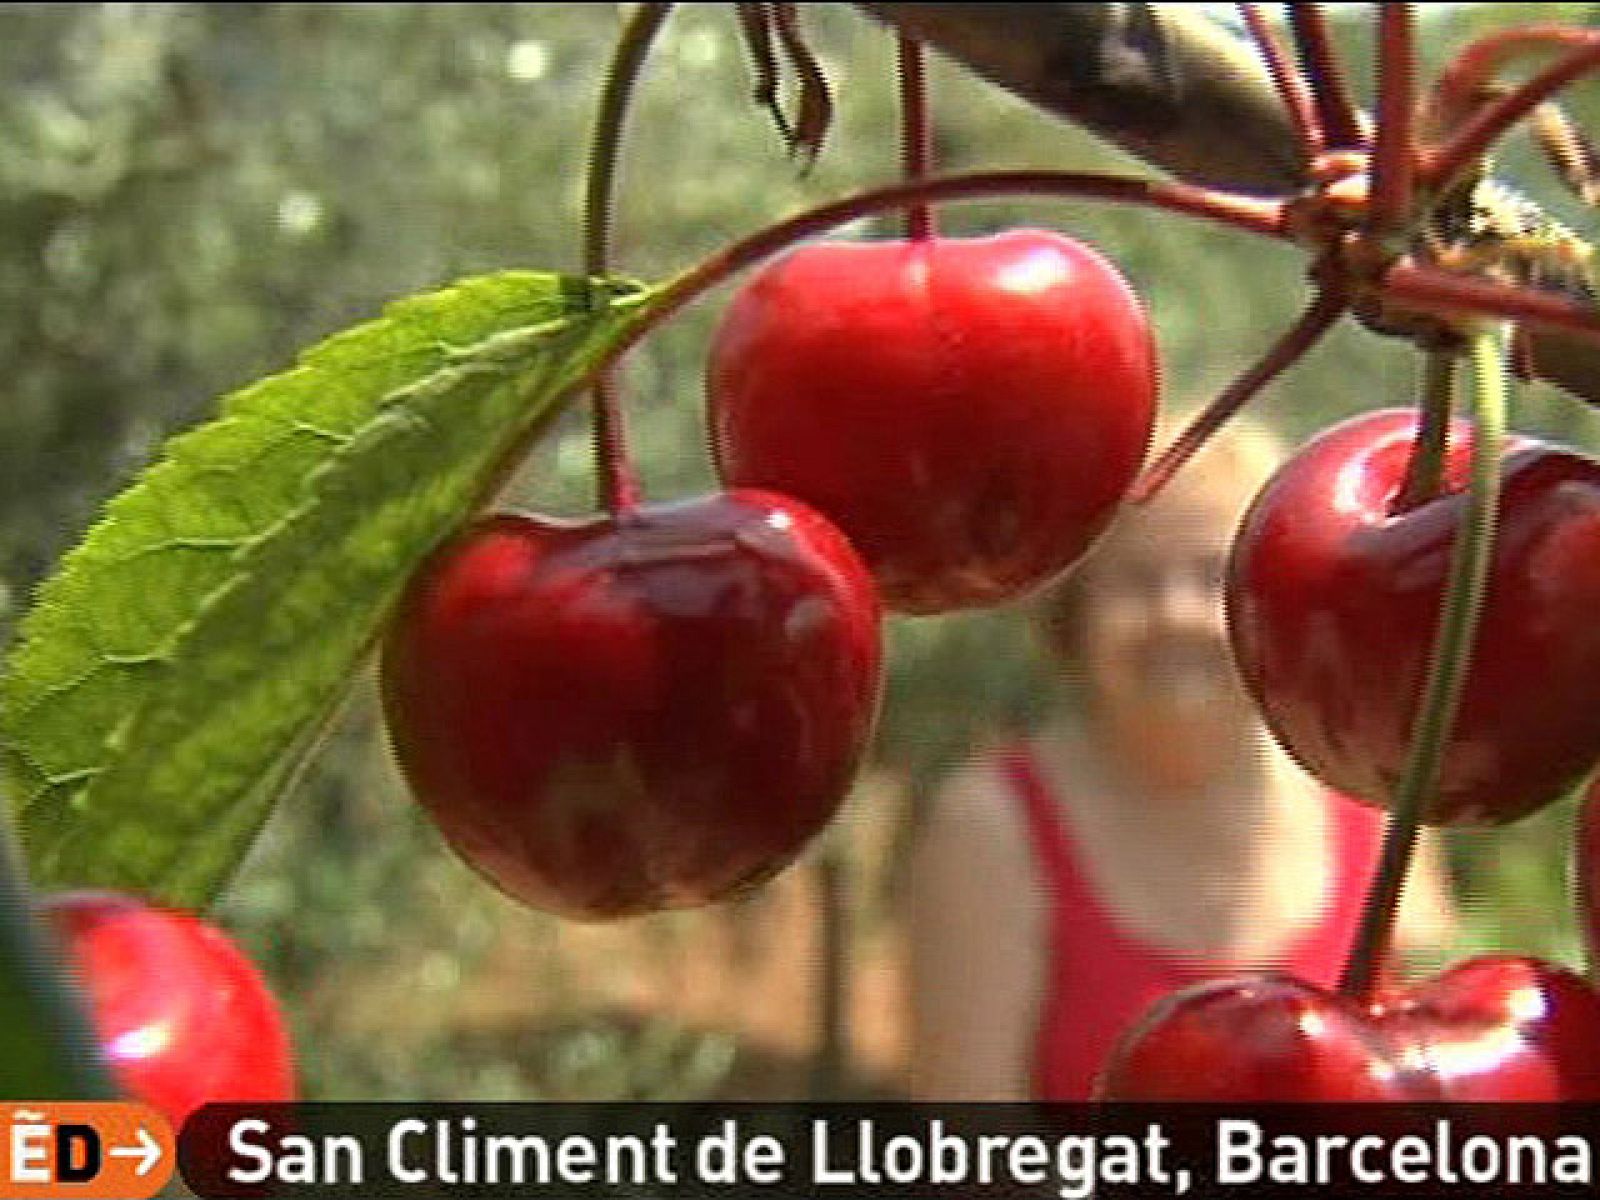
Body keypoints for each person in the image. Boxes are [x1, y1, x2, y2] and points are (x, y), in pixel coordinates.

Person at [907, 415, 1458, 1102]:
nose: (1177, 614)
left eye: (1212, 578)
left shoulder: (1376, 799)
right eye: (1136, 582)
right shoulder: (989, 828)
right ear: (1073, 618)